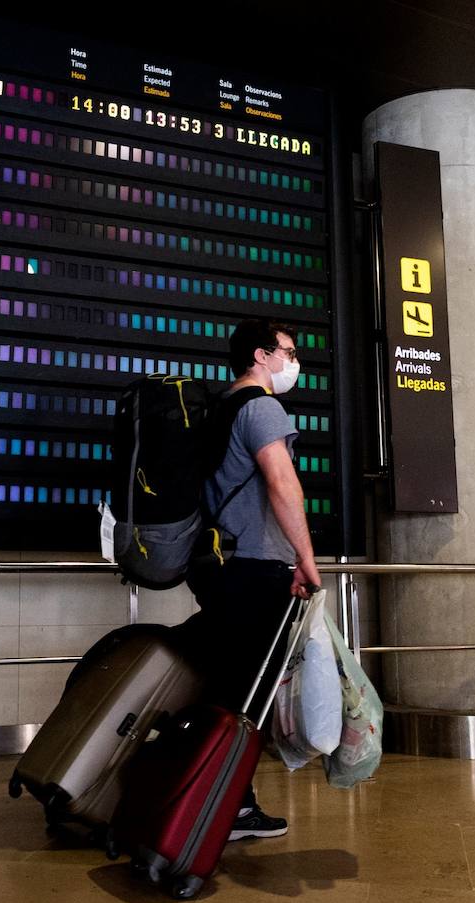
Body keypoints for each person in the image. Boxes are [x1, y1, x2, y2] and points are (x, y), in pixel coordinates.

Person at [182, 318, 322, 842]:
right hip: (255, 568)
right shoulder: (262, 408)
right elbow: (283, 485)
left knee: (227, 687)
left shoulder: (220, 408)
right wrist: (305, 558)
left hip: (218, 564)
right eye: (289, 351)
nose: (294, 362)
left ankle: (221, 801)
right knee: (248, 698)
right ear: (261, 356)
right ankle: (226, 809)